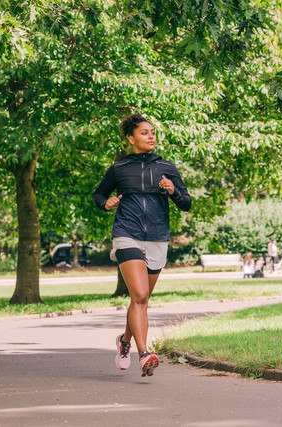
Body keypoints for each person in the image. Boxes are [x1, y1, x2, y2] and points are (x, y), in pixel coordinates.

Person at [92, 114, 191, 377]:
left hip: (158, 237)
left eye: (153, 132)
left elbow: (186, 203)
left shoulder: (166, 167)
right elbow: (98, 194)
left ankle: (124, 341)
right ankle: (144, 353)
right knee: (140, 295)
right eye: (145, 133)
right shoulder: (119, 169)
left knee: (141, 300)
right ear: (131, 138)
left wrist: (172, 191)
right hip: (127, 233)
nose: (151, 137)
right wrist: (106, 203)